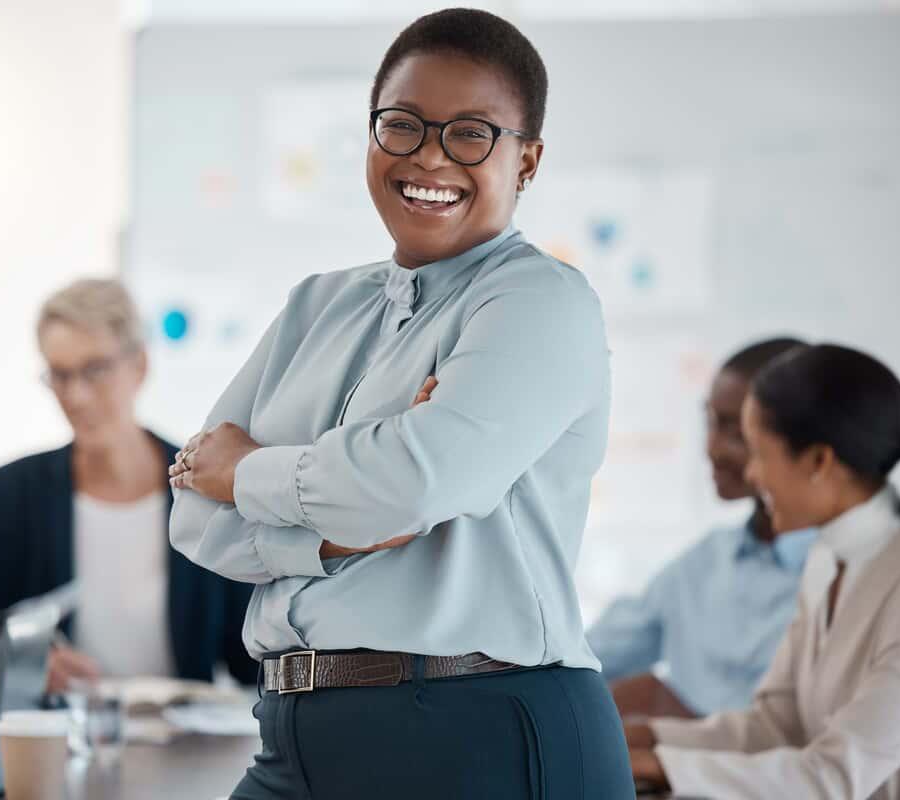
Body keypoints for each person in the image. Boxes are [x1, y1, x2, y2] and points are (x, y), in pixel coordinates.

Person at [168, 9, 632, 798]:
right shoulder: (316, 307)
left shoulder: (538, 303)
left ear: (528, 161)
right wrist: (338, 538)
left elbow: (409, 487)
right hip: (294, 737)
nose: (429, 156)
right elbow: (193, 517)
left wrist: (246, 469)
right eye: (403, 125)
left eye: (471, 134)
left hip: (480, 730)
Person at [627, 344, 900, 800]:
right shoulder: (826, 559)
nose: (752, 475)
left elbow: (833, 776)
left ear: (819, 461)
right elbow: (776, 726)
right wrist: (649, 738)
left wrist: (660, 765)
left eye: (758, 452)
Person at [0, 279, 257, 690]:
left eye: (94, 370)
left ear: (140, 365)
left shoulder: (206, 483)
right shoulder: (20, 489)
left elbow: (252, 658)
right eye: (60, 376)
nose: (76, 396)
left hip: (183, 743)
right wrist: (23, 670)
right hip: (63, 735)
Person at [588, 337, 816, 719]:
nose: (711, 448)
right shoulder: (705, 562)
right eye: (710, 422)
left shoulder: (855, 571)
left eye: (735, 429)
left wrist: (679, 722)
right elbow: (590, 655)